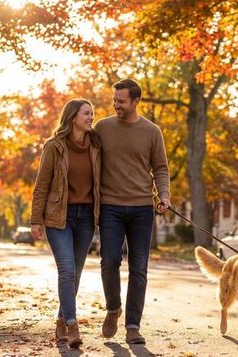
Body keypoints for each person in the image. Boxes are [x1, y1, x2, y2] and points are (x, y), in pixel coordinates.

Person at [95, 78, 171, 345]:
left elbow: (160, 168)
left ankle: (133, 326)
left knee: (139, 268)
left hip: (142, 208)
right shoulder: (102, 128)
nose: (116, 104)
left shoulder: (152, 132)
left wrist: (164, 196)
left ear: (136, 101)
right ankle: (113, 308)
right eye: (114, 100)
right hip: (110, 207)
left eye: (121, 101)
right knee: (109, 261)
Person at [30, 99, 101, 348]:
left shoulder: (96, 146)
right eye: (86, 113)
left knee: (76, 273)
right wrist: (36, 220)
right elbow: (42, 185)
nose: (91, 117)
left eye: (92, 113)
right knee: (67, 270)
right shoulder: (54, 147)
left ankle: (61, 319)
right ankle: (72, 324)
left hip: (86, 217)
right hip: (59, 216)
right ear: (73, 117)